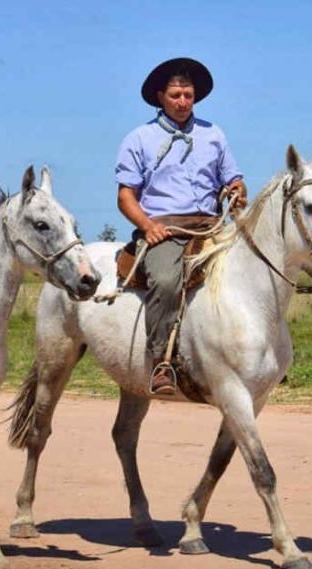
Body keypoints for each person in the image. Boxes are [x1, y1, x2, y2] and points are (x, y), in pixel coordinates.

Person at [114, 57, 247, 395]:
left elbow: (232, 178)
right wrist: (147, 226)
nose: (183, 102)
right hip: (165, 228)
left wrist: (236, 190)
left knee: (253, 270)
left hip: (211, 224)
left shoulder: (213, 134)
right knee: (166, 279)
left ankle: (252, 356)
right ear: (161, 96)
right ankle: (161, 361)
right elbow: (126, 197)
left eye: (188, 95)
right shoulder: (139, 138)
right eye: (175, 95)